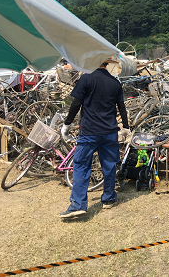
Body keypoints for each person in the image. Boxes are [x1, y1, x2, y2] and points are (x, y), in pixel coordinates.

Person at [59, 58, 130, 218]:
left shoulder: (86, 78)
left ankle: (78, 205)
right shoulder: (115, 82)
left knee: (81, 165)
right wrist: (126, 126)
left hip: (90, 132)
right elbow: (122, 107)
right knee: (109, 165)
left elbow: (76, 103)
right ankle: (109, 199)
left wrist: (67, 123)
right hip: (110, 132)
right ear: (106, 64)